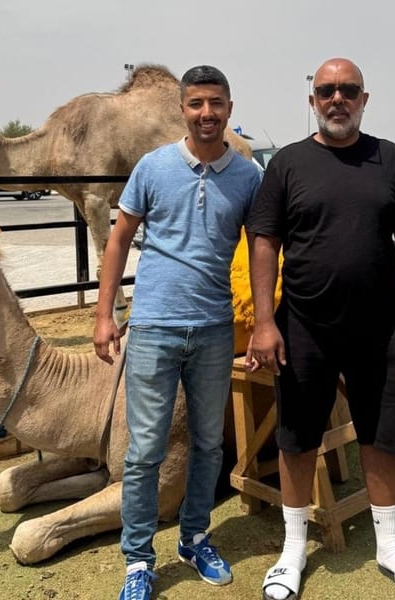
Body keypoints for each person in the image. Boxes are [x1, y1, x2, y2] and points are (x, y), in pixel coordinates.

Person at [247, 57, 395, 600]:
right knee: (297, 437)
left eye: (348, 90)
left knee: (382, 435)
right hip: (302, 326)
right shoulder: (287, 163)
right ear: (312, 99)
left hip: (379, 325)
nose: (338, 99)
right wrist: (265, 323)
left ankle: (390, 547)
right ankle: (292, 551)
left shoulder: (390, 159)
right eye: (326, 90)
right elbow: (264, 242)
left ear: (364, 98)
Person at [93, 65, 262, 600]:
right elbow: (119, 241)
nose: (206, 113)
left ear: (229, 109)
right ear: (182, 110)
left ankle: (194, 538)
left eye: (216, 103)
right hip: (153, 326)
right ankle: (139, 559)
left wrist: (263, 322)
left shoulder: (248, 177)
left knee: (209, 445)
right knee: (145, 450)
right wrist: (104, 314)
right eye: (196, 104)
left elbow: (259, 251)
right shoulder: (152, 167)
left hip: (215, 329)